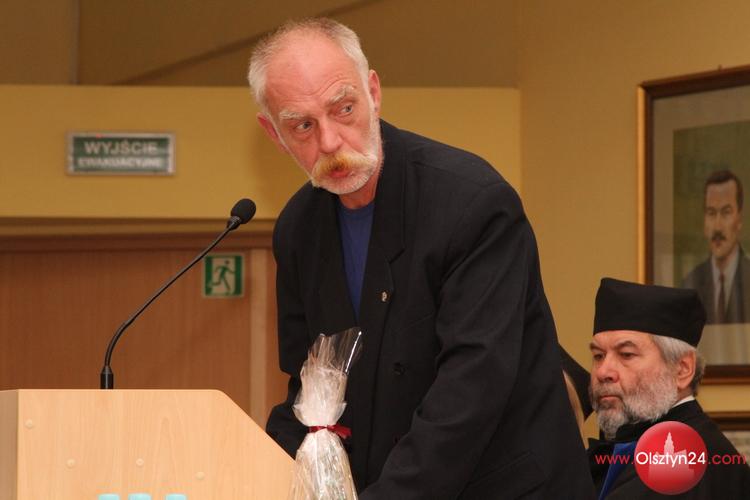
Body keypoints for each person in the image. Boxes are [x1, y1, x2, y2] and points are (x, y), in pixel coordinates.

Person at [247, 18, 593, 499]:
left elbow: (471, 387)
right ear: (274, 133)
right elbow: (308, 388)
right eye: (302, 125)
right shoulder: (297, 229)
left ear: (373, 93)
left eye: (343, 109)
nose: (329, 141)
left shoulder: (472, 203)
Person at [588, 277, 750, 499]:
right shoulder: (638, 440)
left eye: (626, 354)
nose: (603, 372)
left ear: (682, 369)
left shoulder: (681, 458)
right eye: (598, 356)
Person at [682, 170, 750, 324]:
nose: (717, 227)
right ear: (704, 221)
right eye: (711, 213)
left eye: (726, 212)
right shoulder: (691, 284)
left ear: (739, 220)